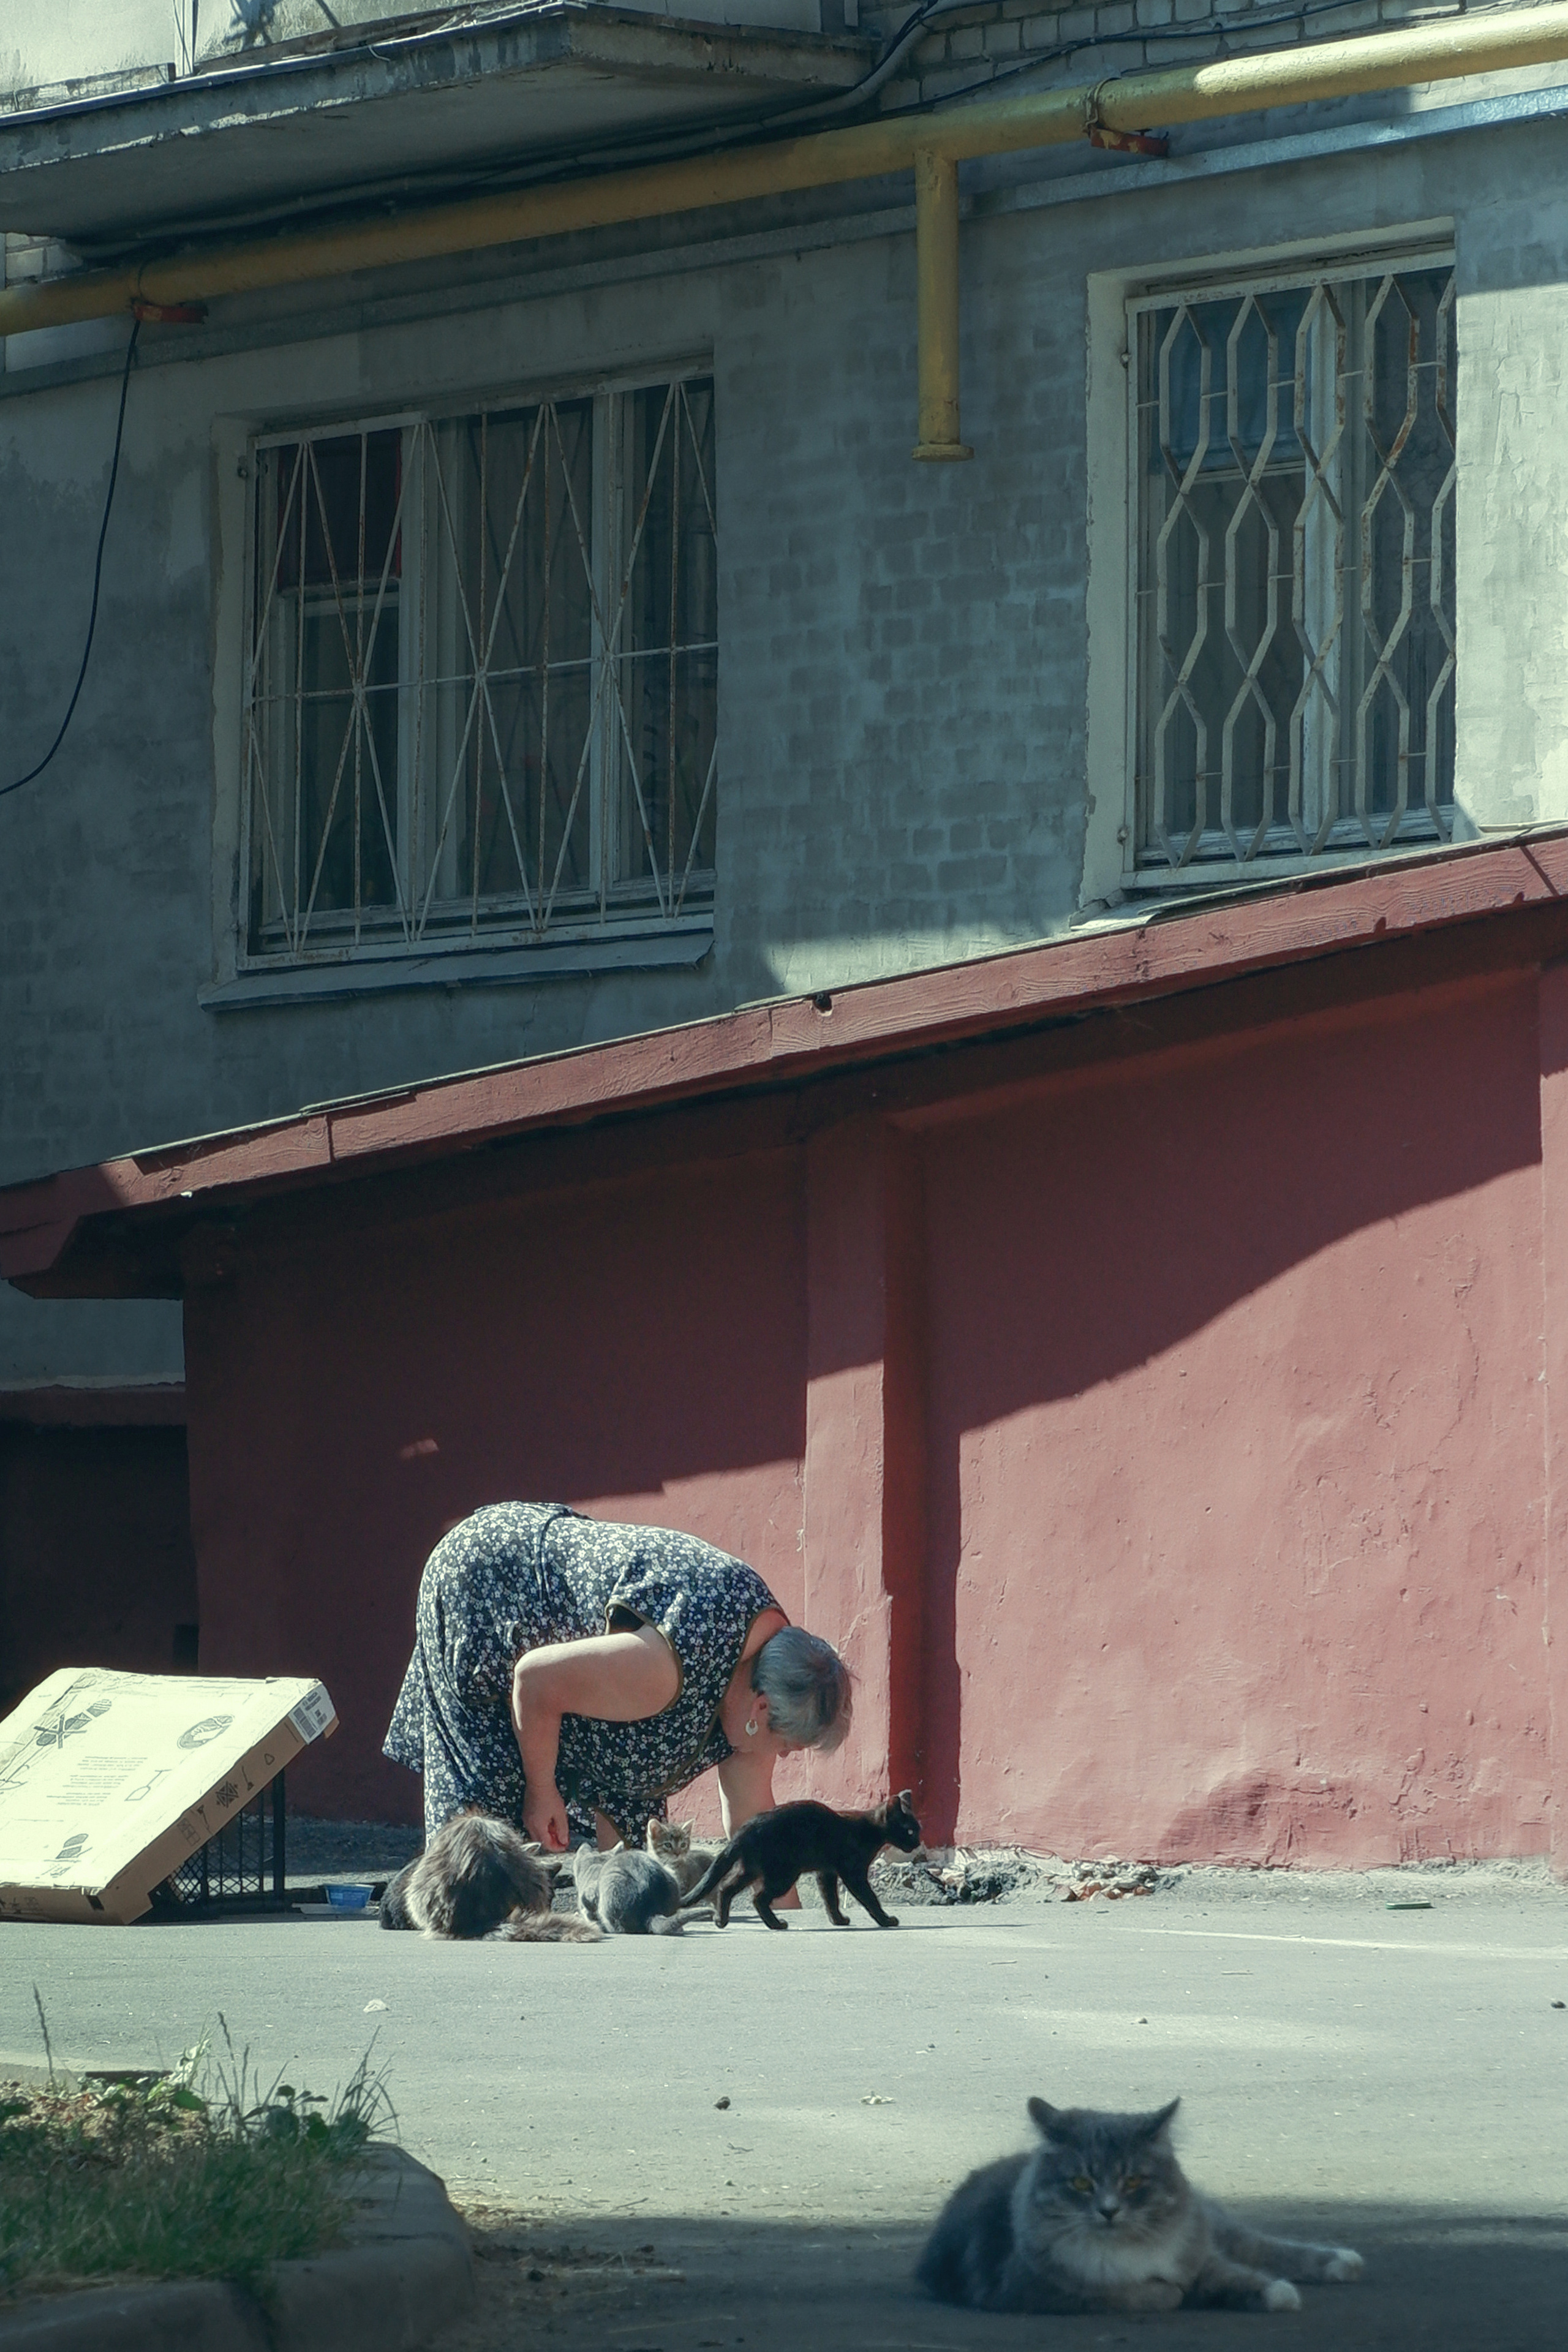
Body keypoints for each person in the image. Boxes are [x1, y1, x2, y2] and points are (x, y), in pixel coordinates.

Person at [383, 1501, 852, 1853]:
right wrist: (542, 1791)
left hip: (570, 1658)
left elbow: (752, 1822)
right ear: (762, 1710)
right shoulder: (672, 1658)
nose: (787, 1756)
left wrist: (801, 1943)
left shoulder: (770, 1673)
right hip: (491, 1585)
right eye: (791, 1745)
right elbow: (535, 1680)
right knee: (488, 1834)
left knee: (632, 1881)